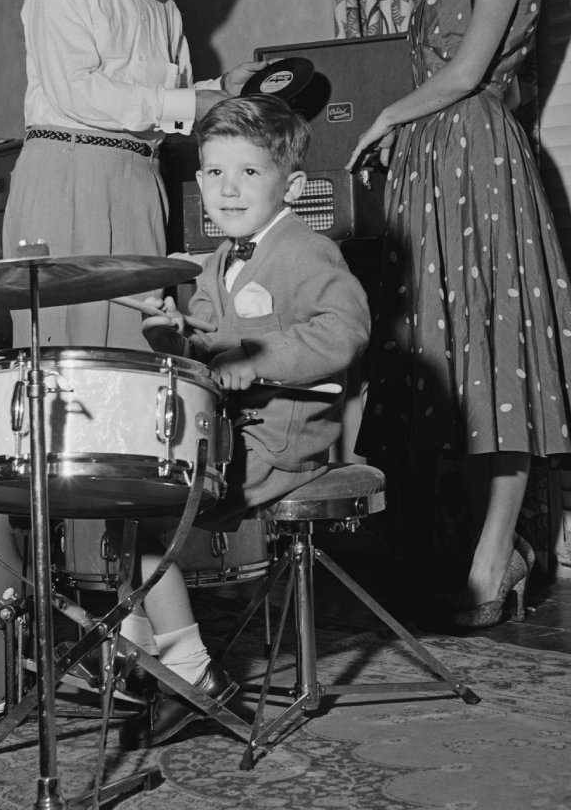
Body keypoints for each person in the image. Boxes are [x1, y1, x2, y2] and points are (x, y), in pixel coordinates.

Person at [344, 0, 571, 632]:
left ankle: (497, 558)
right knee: (451, 367)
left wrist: (386, 117)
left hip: (480, 162)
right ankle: (491, 552)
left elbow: (466, 74)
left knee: (498, 361)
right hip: (432, 165)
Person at [115, 94, 371, 748]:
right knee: (115, 488)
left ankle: (186, 670)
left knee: (149, 506)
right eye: (212, 172)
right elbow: (202, 353)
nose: (226, 189)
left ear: (290, 185)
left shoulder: (303, 250)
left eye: (249, 173)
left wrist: (257, 358)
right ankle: (147, 659)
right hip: (233, 432)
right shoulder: (213, 262)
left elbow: (344, 331)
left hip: (286, 440)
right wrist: (167, 332)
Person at [1, 0, 264, 350]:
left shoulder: (166, 12)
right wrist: (188, 99)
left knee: (137, 349)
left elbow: (163, 104)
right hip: (68, 171)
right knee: (64, 355)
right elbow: (76, 93)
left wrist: (223, 87)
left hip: (142, 182)